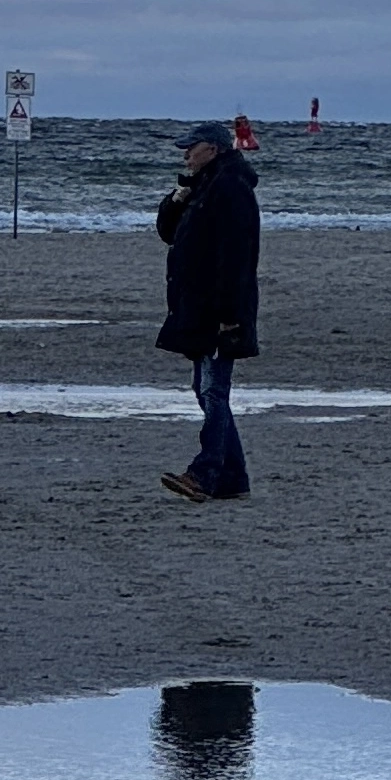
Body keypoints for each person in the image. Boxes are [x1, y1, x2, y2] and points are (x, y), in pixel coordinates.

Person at [154, 121, 260, 502]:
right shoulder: (203, 186)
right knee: (205, 389)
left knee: (214, 390)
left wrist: (229, 313)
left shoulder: (230, 188)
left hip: (218, 310)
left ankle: (205, 472)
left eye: (191, 147)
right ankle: (234, 478)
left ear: (212, 149)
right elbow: (169, 232)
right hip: (197, 307)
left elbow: (236, 256)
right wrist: (176, 198)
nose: (185, 154)